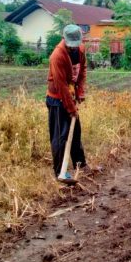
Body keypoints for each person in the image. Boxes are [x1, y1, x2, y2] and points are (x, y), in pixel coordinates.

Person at [46, 24, 88, 181]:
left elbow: (82, 70)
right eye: (70, 45)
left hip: (70, 95)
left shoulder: (81, 49)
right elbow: (61, 85)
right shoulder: (57, 56)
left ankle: (80, 164)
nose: (73, 48)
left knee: (75, 132)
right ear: (64, 39)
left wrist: (80, 92)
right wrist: (70, 108)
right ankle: (60, 173)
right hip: (57, 99)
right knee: (60, 137)